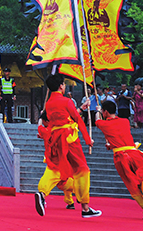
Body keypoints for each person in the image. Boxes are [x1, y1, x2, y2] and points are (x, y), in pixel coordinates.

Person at [34, 74, 101, 218]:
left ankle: (42, 192)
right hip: (69, 138)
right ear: (60, 86)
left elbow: (55, 121)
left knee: (55, 168)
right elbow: (77, 120)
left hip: (56, 138)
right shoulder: (66, 101)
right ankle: (85, 207)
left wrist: (82, 108)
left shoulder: (49, 103)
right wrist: (88, 139)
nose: (64, 86)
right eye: (64, 84)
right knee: (82, 169)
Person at [96, 100, 143, 220]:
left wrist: (97, 111)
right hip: (134, 153)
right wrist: (111, 145)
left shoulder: (103, 124)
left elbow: (97, 121)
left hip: (122, 157)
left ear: (105, 112)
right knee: (142, 178)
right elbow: (121, 137)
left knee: (132, 185)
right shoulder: (125, 121)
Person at [36, 110, 76, 210]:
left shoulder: (45, 131)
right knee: (67, 183)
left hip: (55, 164)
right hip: (66, 162)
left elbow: (39, 126)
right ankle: (73, 199)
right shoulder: (64, 130)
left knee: (47, 183)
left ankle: (42, 196)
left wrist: (41, 118)